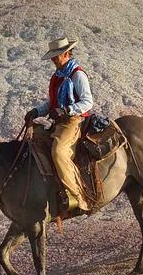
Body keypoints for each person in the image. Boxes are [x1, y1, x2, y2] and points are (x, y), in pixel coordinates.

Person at [26, 37, 93, 216]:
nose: (54, 60)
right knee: (32, 142)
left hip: (73, 121)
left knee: (59, 152)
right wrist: (36, 111)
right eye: (52, 57)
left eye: (56, 56)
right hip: (59, 121)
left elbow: (87, 102)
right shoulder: (58, 76)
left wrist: (66, 111)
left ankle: (78, 198)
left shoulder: (77, 75)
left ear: (66, 54)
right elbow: (52, 102)